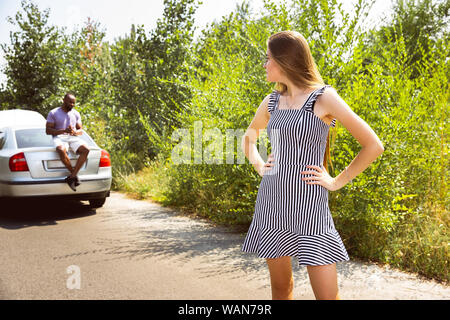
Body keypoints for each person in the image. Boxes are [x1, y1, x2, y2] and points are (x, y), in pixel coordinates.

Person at [240, 31, 384, 300]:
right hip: (271, 204)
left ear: (284, 61)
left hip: (310, 207)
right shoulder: (272, 101)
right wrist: (262, 167)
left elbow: (373, 145)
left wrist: (336, 181)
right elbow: (248, 140)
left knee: (327, 297)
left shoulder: (323, 97)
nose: (265, 64)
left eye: (268, 58)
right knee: (281, 290)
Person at [46, 93, 90, 191]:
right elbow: (48, 131)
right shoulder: (53, 113)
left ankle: (72, 177)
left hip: (72, 137)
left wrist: (75, 132)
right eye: (70, 102)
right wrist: (63, 131)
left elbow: (80, 131)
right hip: (59, 136)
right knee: (61, 149)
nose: (72, 105)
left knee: (86, 150)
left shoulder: (76, 113)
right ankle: (74, 176)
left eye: (74, 103)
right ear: (64, 100)